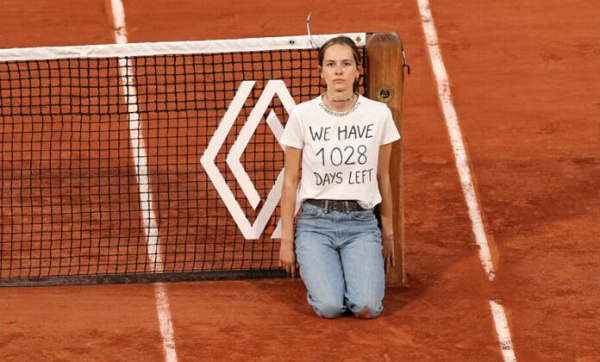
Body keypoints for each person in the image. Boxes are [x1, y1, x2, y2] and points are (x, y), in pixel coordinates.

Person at [278, 36, 401, 319]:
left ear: (358, 71)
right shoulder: (302, 115)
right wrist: (286, 241)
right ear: (321, 71)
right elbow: (289, 180)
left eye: (346, 64)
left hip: (361, 224)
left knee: (367, 308)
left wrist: (389, 233)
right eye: (331, 64)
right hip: (314, 223)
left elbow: (384, 177)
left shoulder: (378, 114)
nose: (338, 71)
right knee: (329, 307)